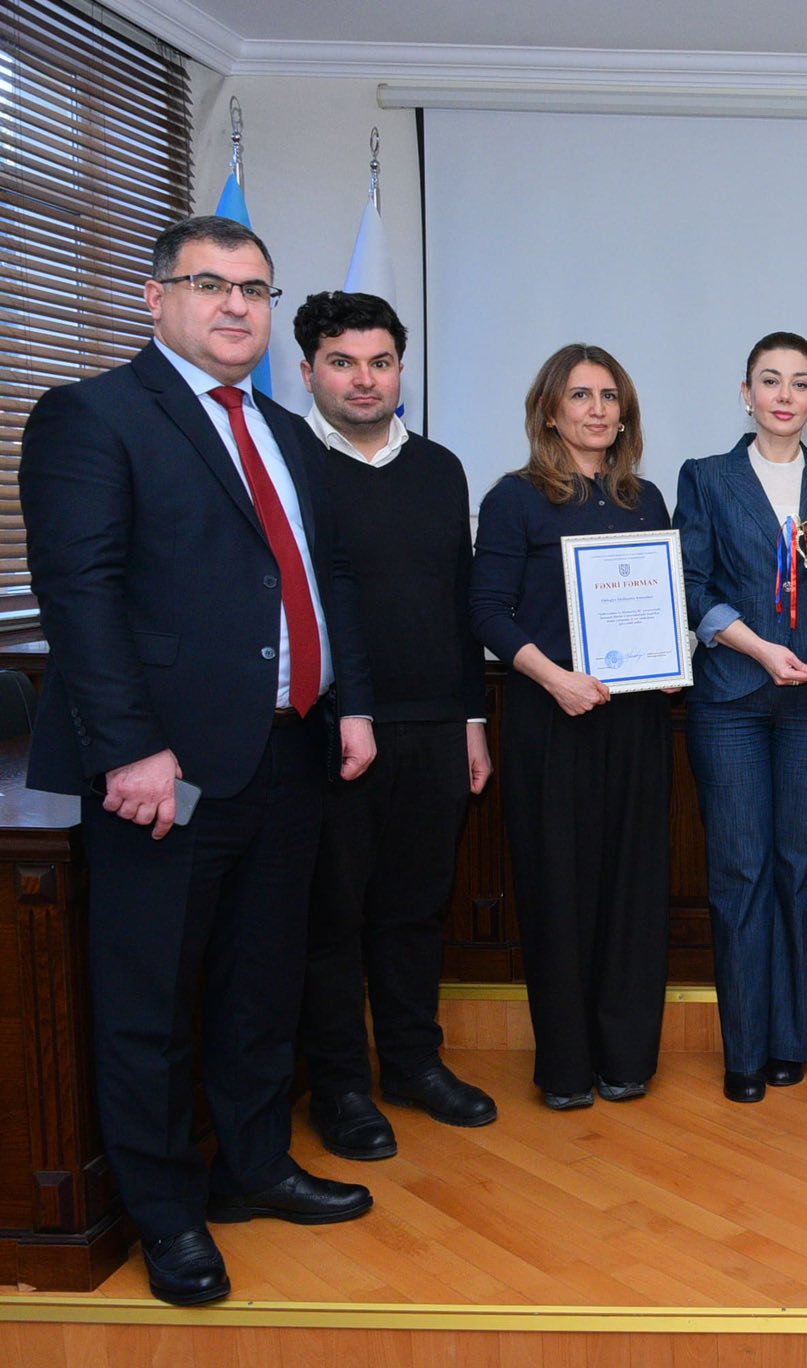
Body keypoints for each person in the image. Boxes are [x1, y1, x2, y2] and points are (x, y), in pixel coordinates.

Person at [20, 216, 377, 1306]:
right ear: (155, 296)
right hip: (163, 773)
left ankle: (254, 1167)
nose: (235, 306)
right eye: (210, 284)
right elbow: (79, 595)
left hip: (290, 751)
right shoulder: (92, 415)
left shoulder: (285, 428)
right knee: (151, 1001)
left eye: (254, 290)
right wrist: (129, 747)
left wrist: (350, 704)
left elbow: (321, 579)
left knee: (260, 984)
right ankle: (167, 1215)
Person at [292, 291, 498, 1161]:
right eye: (343, 363)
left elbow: (459, 602)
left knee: (417, 906)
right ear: (309, 370)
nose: (364, 379)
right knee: (334, 915)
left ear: (401, 370)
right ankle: (340, 1086)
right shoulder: (289, 461)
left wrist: (473, 719)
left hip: (436, 723)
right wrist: (354, 710)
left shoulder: (441, 467)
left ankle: (413, 1064)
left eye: (380, 362)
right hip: (333, 728)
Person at [471, 344, 674, 1111]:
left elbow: (662, 604)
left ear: (625, 415)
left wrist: (670, 654)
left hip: (637, 722)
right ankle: (564, 1066)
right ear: (550, 411)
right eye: (581, 395)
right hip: (551, 718)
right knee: (557, 889)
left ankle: (626, 1057)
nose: (597, 409)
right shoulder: (515, 499)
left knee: (633, 888)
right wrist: (555, 678)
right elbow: (486, 610)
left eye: (609, 396)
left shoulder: (645, 500)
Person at [674, 332, 807, 1104]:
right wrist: (759, 649)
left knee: (798, 868)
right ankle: (745, 1048)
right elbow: (693, 583)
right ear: (746, 393)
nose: (785, 395)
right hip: (731, 700)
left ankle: (791, 1041)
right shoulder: (706, 477)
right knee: (740, 871)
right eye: (770, 380)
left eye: (800, 383)